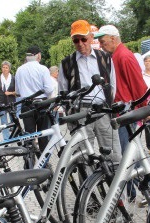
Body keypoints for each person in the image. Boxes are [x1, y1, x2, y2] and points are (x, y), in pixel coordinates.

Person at [57, 20, 120, 162]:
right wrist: (72, 113)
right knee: (83, 157)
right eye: (76, 40)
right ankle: (87, 184)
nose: (80, 43)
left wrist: (108, 106)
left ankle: (114, 183)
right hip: (80, 113)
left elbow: (112, 85)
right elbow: (63, 91)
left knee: (113, 153)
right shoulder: (67, 63)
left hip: (103, 110)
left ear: (91, 37)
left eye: (84, 39)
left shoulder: (105, 58)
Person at [95, 24, 148, 155]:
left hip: (127, 112)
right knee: (128, 151)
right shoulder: (117, 55)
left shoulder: (124, 56)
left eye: (103, 42)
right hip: (122, 111)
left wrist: (144, 108)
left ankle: (137, 175)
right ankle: (137, 174)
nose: (101, 45)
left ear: (113, 39)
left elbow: (138, 84)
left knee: (128, 152)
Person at [14, 45, 56, 151]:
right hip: (41, 104)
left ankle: (30, 161)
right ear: (38, 55)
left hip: (26, 104)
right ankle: (44, 162)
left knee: (29, 135)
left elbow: (17, 92)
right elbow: (49, 89)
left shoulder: (19, 70)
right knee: (43, 134)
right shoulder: (43, 69)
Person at [0, 61, 16, 140]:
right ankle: (6, 139)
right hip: (1, 103)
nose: (5, 69)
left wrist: (10, 93)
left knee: (13, 121)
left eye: (6, 67)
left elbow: (18, 91)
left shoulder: (13, 78)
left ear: (9, 69)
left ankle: (13, 136)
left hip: (11, 102)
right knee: (3, 122)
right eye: (3, 67)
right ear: (1, 68)